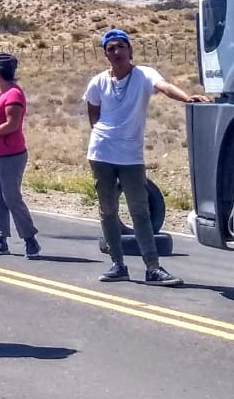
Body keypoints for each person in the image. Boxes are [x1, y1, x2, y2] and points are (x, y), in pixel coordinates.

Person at [86, 29, 206, 286]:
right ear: (106, 54)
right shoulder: (97, 82)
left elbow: (165, 87)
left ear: (130, 50)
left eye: (120, 47)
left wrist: (187, 98)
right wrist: (103, 136)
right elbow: (93, 115)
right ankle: (118, 264)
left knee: (139, 210)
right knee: (107, 210)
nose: (116, 52)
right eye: (111, 49)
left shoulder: (144, 75)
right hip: (101, 152)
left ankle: (153, 267)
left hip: (130, 155)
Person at [0, 53, 40, 259]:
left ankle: (29, 238)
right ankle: (0, 238)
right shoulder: (0, 94)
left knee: (11, 196)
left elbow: (12, 124)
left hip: (11, 154)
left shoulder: (13, 95)